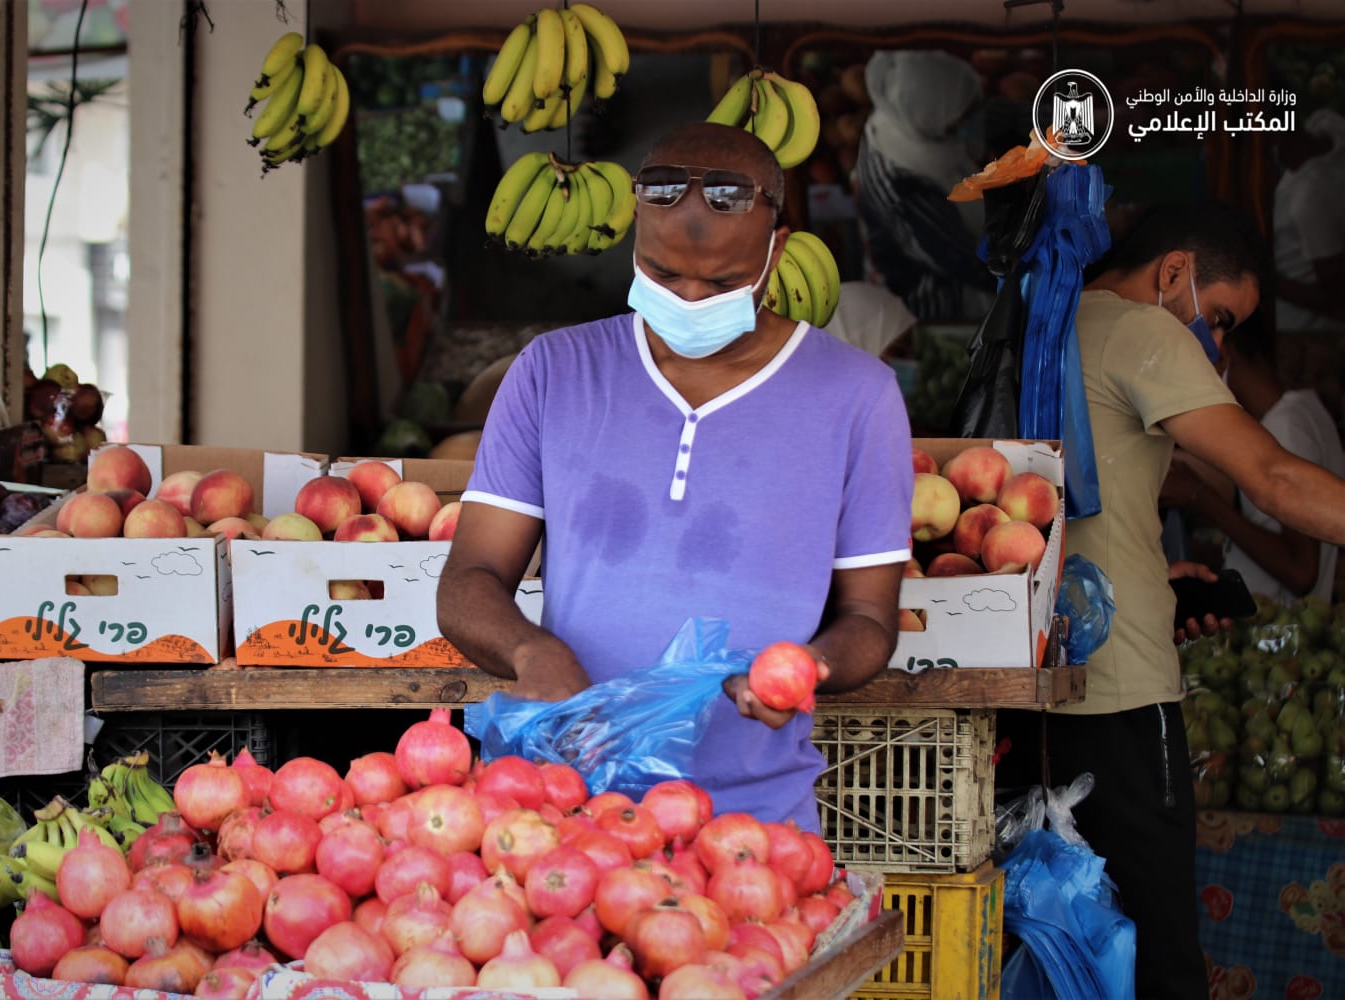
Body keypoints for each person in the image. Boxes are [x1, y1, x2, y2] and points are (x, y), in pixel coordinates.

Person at [437, 121, 914, 831]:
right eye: (663, 274)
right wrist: (530, 649)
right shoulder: (553, 372)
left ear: (775, 252)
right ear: (636, 238)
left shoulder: (857, 394)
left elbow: (870, 619)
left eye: (721, 281)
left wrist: (810, 666)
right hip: (567, 811)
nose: (689, 297)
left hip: (757, 824)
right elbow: (469, 578)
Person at [996, 200, 1345, 1000]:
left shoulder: (1041, 318)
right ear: (1175, 273)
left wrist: (1161, 581)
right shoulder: (1142, 330)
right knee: (1159, 957)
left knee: (1058, 949)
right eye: (1218, 319)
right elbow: (1276, 478)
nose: (1216, 347)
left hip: (1026, 684)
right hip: (1118, 694)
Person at [1162, 318, 1345, 603]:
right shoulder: (1306, 409)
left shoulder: (1285, 426)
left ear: (1221, 356)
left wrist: (1200, 496)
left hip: (1278, 631)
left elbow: (1301, 572)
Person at [853, 50, 995, 323]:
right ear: (935, 120)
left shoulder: (900, 119)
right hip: (930, 304)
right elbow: (972, 266)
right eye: (964, 116)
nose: (974, 119)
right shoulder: (904, 191)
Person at [1272, 109, 1345, 332]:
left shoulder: (1311, 196)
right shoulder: (1328, 128)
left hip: (1311, 337)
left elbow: (1336, 297)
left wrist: (1269, 282)